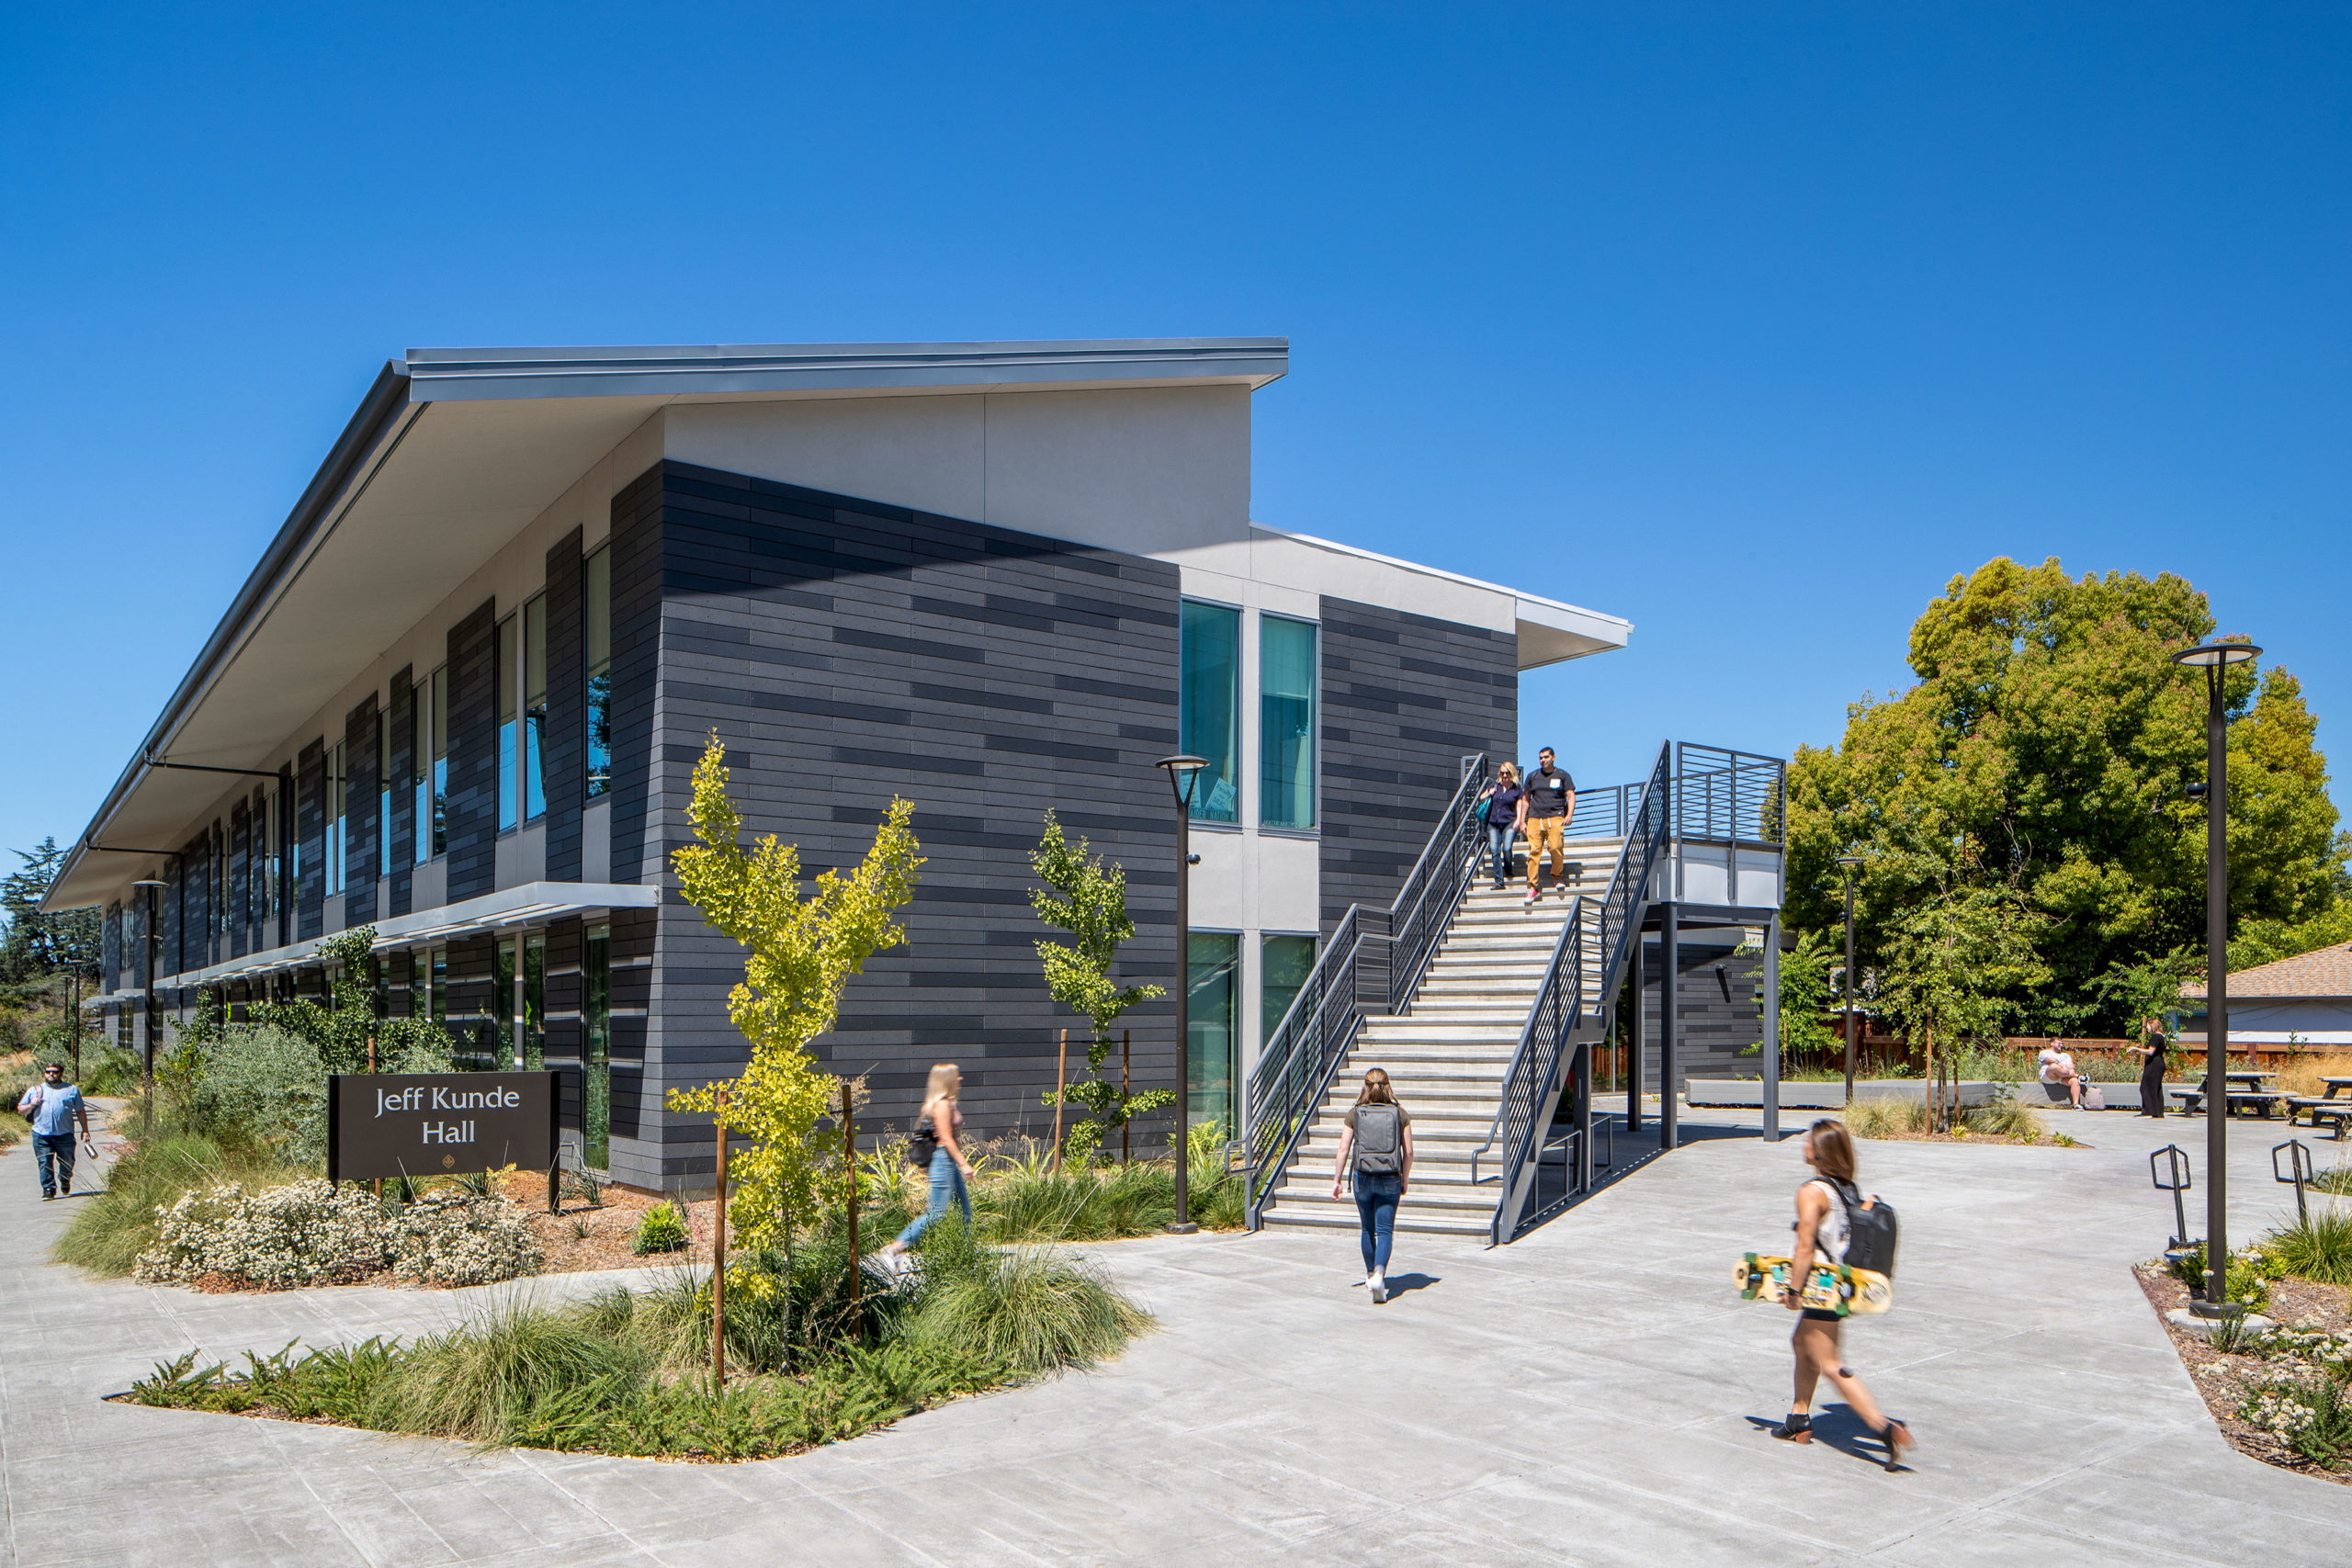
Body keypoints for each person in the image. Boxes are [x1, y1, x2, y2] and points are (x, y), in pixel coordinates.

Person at [1772, 1119, 1915, 1470]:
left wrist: (1793, 1290)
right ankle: (1799, 1418)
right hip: (1841, 1285)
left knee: (1831, 1363)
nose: (1803, 1144)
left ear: (1820, 1151)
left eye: (1808, 1140)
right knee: (1800, 1343)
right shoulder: (1845, 1187)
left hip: (1820, 1286)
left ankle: (1884, 1428)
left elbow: (1804, 1247)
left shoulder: (1811, 1191)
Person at [1329, 1067, 1414, 1303]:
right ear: (1388, 1086)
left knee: (1367, 1228)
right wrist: (1404, 1178)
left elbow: (1343, 1149)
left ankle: (1370, 1275)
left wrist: (1336, 1181)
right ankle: (1379, 1274)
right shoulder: (1400, 1113)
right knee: (1385, 1229)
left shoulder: (1355, 1113)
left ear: (1365, 1087)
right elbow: (1409, 1152)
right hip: (1390, 1177)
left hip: (1363, 1177)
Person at [878, 1063, 972, 1273]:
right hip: (943, 1162)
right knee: (936, 1214)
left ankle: (964, 1257)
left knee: (964, 1212)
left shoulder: (946, 1103)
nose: (960, 1080)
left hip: (946, 1162)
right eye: (956, 1077)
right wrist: (964, 1164)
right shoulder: (942, 1105)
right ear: (946, 1080)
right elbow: (946, 1139)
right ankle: (894, 1248)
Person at [17, 1062, 92, 1201]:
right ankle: (48, 1189)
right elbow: (21, 1109)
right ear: (45, 1073)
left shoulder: (72, 1090)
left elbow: (80, 1111)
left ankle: (65, 1178)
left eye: (55, 1072)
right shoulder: (35, 1090)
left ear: (61, 1073)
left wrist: (85, 1130)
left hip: (65, 1134)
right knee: (44, 1161)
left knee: (67, 1161)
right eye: (48, 1071)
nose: (51, 1074)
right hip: (41, 1134)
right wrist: (31, 1104)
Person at [1520, 746, 1576, 904]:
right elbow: (1525, 799)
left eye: (1546, 757)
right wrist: (1522, 820)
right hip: (1535, 818)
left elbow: (1571, 795)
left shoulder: (1563, 775)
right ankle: (1533, 887)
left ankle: (1557, 876)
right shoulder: (1533, 776)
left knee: (1555, 847)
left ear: (1553, 757)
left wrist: (1569, 815)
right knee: (1534, 851)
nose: (1543, 760)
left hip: (1556, 817)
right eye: (1540, 758)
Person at [1477, 762, 1526, 891]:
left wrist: (1519, 820)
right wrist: (1489, 793)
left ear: (1512, 774)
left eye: (1507, 773)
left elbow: (1520, 806)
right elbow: (1481, 797)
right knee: (1494, 850)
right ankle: (1499, 881)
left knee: (1507, 848)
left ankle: (1508, 868)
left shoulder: (1517, 789)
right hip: (1493, 823)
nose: (1504, 775)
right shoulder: (1494, 786)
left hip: (1510, 822)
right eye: (1502, 773)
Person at [2125, 1018, 2170, 1119]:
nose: (2147, 1028)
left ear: (2153, 1026)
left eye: (2148, 1026)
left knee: (2146, 1087)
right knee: (2156, 1088)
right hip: (2160, 1063)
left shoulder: (2155, 1037)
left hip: (2154, 1064)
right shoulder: (2163, 1037)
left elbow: (2151, 1051)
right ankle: (2157, 1112)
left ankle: (2148, 1111)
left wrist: (2136, 1049)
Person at [2038, 1042, 2086, 1109]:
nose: (2061, 1045)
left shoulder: (2065, 1055)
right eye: (2059, 1043)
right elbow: (2049, 1060)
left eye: (2062, 1044)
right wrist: (2061, 1066)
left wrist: (2071, 1069)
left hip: (2062, 1077)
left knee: (2075, 1081)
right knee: (2054, 1066)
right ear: (2052, 1043)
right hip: (2048, 1076)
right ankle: (2077, 1076)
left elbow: (2070, 1065)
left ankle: (2076, 1104)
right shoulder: (2045, 1052)